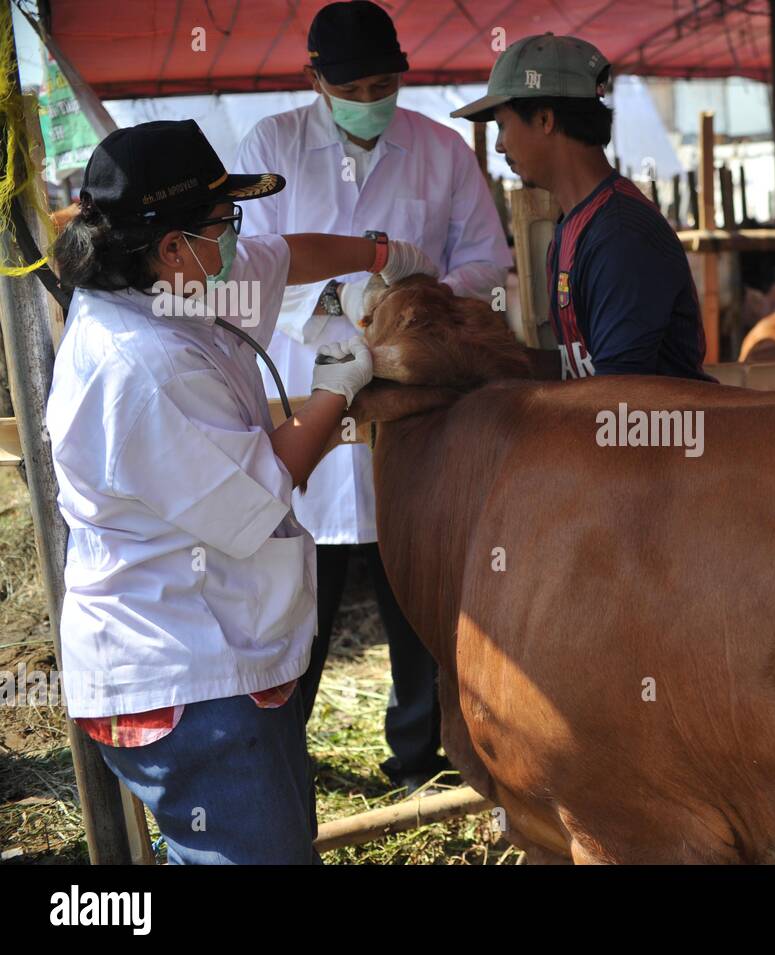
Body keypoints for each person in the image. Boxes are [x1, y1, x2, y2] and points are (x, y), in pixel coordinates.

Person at [46, 119, 435, 863]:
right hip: (184, 670)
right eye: (223, 221)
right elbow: (264, 488)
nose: (235, 237)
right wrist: (335, 386)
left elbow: (284, 256)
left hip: (224, 646)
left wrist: (385, 254)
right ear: (171, 246)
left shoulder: (173, 280)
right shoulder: (141, 366)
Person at [234, 1, 513, 791]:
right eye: (352, 85)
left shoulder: (442, 150)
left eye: (385, 82)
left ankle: (419, 760)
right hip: (307, 403)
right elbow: (250, 274)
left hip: (413, 408)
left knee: (418, 596)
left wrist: (406, 314)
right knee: (297, 604)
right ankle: (280, 765)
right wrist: (342, 322)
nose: (371, 97)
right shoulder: (271, 146)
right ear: (313, 79)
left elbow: (487, 263)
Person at [452, 32, 714, 383]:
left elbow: (618, 398)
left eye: (502, 125)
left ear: (545, 120)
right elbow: (580, 368)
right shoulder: (577, 222)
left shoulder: (620, 235)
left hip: (659, 434)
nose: (499, 145)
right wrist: (482, 358)